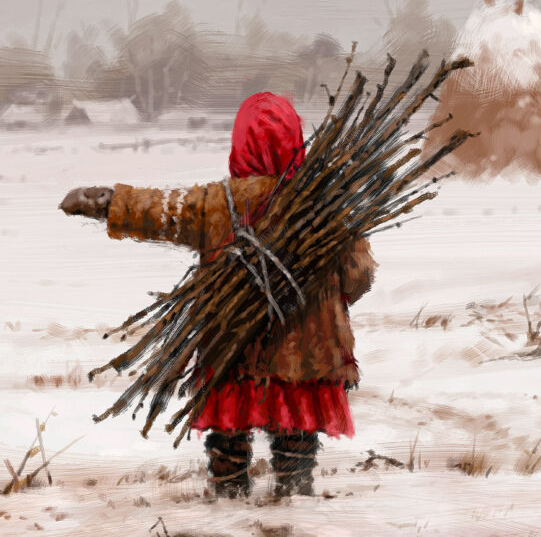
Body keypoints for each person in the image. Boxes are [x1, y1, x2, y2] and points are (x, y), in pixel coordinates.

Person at [60, 92, 376, 499]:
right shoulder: (327, 208)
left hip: (234, 349)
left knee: (229, 436)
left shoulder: (219, 204)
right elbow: (360, 276)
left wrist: (108, 201)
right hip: (308, 355)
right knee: (296, 437)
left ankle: (229, 492)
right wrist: (326, 302)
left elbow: (165, 209)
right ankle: (295, 492)